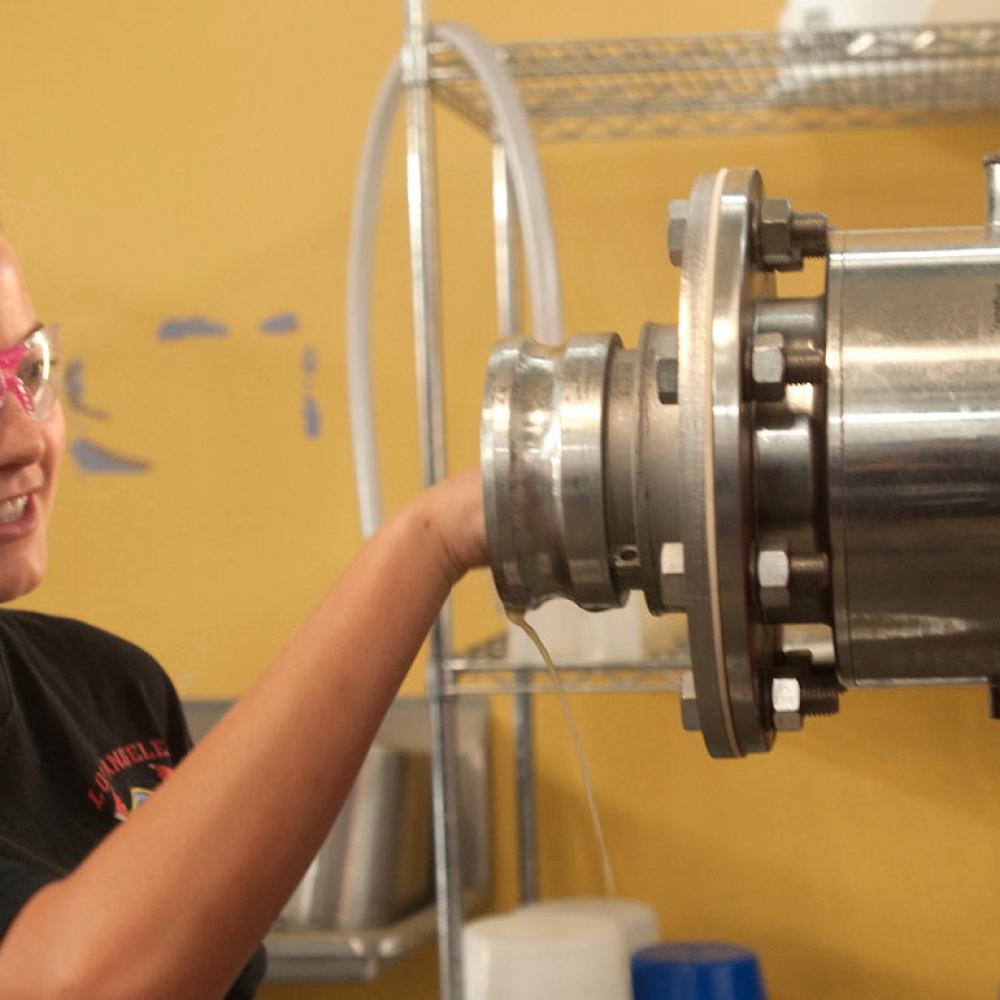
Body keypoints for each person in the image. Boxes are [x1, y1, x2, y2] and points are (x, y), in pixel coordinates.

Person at [0, 231, 488, 1000]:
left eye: (28, 371)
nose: (25, 437)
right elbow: (80, 984)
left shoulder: (113, 692)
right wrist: (426, 543)